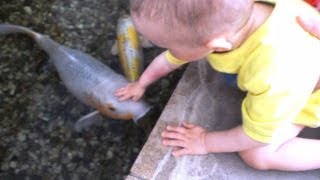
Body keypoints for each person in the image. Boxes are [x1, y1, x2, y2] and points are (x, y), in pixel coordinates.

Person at [115, 0, 320, 171]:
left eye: (169, 45)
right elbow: (172, 59)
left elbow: (257, 135)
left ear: (216, 46)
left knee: (256, 155)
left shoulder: (275, 74)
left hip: (310, 96)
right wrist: (140, 84)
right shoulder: (239, 16)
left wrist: (205, 141)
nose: (168, 51)